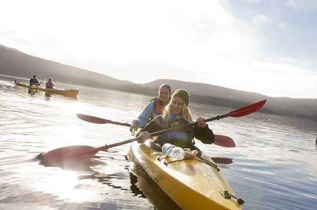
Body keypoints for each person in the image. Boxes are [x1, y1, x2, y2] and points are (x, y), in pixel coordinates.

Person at [139, 89, 215, 156]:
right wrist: (143, 135)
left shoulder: (191, 124)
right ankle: (181, 153)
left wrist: (203, 127)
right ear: (171, 103)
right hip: (162, 151)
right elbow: (139, 136)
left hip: (185, 155)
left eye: (179, 104)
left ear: (184, 106)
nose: (175, 106)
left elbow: (209, 140)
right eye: (174, 102)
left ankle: (185, 154)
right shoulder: (160, 120)